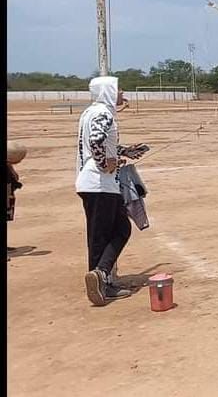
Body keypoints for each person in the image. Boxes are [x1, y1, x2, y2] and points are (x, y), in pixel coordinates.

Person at [76, 76, 147, 306]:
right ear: (107, 91)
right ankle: (100, 282)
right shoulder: (103, 113)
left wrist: (125, 151)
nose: (121, 92)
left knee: (120, 229)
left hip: (99, 184)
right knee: (104, 235)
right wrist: (105, 163)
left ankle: (101, 275)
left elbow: (101, 142)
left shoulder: (93, 112)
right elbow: (96, 142)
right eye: (117, 89)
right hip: (99, 184)